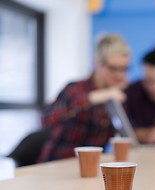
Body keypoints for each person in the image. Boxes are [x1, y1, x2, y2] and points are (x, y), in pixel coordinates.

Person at [38, 34, 130, 162]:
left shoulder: (117, 95)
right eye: (113, 68)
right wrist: (95, 97)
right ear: (97, 63)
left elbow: (125, 134)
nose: (119, 75)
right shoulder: (75, 89)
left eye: (124, 69)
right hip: (59, 163)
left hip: (90, 167)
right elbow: (46, 119)